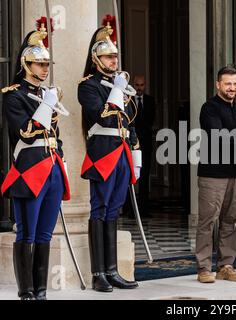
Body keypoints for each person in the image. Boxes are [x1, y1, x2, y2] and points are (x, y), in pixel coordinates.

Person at [1, 19, 71, 300]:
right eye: (40, 64)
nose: (45, 69)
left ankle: (41, 289)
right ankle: (26, 290)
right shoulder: (13, 95)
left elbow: (56, 134)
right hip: (29, 169)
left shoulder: (46, 95)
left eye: (47, 65)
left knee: (45, 233)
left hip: (52, 168)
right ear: (26, 65)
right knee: (26, 233)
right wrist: (46, 104)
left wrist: (61, 159)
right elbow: (26, 133)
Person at [78, 17, 141, 292]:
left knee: (114, 211)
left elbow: (129, 122)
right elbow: (100, 115)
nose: (114, 60)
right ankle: (98, 272)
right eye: (108, 56)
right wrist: (116, 89)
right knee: (99, 209)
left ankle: (112, 270)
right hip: (103, 153)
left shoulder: (119, 86)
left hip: (122, 153)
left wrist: (136, 151)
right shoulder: (89, 85)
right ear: (96, 58)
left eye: (115, 56)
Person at [196, 66, 236, 284]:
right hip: (212, 173)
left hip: (234, 173)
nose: (232, 88)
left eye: (235, 84)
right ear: (218, 85)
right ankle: (204, 267)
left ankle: (226, 265)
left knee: (230, 220)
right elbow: (218, 136)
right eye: (228, 84)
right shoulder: (209, 108)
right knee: (208, 220)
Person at [122, 75, 156, 218]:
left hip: (146, 143)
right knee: (129, 174)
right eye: (137, 85)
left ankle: (143, 209)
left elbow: (152, 120)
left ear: (145, 85)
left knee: (145, 175)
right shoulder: (128, 100)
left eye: (141, 85)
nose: (139, 88)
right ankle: (128, 208)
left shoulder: (150, 101)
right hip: (131, 142)